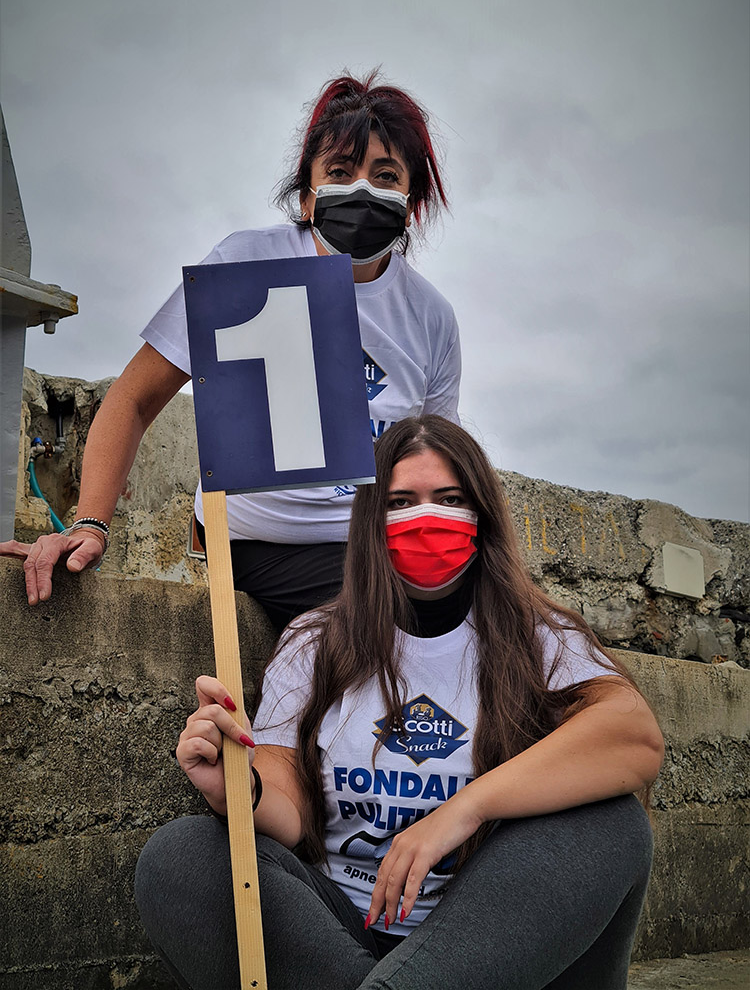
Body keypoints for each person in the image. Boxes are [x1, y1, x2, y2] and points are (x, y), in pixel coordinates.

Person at [135, 415, 664, 990]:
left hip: (487, 945)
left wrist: (460, 813)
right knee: (180, 857)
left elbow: (633, 737)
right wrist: (241, 788)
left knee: (613, 822)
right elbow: (284, 804)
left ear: (482, 514)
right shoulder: (315, 642)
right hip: (343, 936)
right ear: (370, 521)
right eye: (401, 501)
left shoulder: (540, 637)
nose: (427, 517)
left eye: (449, 498)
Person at [1, 71, 459, 630]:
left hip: (377, 546)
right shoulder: (246, 263)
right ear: (309, 191)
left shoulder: (430, 316)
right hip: (263, 542)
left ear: (411, 200)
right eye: (340, 171)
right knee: (382, 621)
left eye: (385, 175)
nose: (362, 190)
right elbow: (135, 400)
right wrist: (90, 523)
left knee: (505, 621)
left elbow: (438, 461)